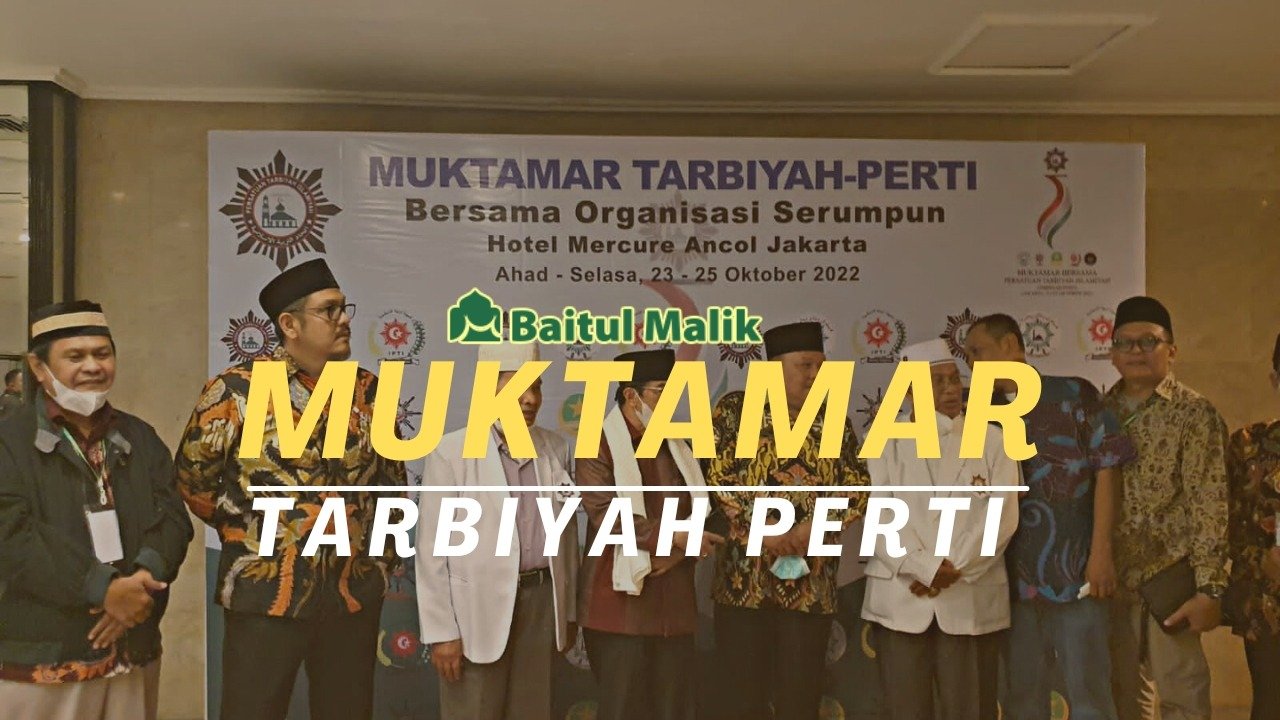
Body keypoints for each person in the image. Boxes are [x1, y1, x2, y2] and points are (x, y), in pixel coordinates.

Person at [175, 259, 407, 720]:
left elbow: (392, 488)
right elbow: (192, 481)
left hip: (351, 598)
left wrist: (378, 564)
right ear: (289, 324)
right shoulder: (236, 391)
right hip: (264, 599)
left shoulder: (369, 393)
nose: (344, 320)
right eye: (329, 310)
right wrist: (253, 535)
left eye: (344, 308)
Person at [0, 301, 192, 720]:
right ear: (38, 367)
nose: (92, 366)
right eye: (75, 356)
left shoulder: (140, 436)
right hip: (41, 662)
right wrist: (102, 589)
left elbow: (173, 519)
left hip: (133, 649)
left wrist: (138, 585)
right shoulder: (9, 441)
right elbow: (12, 537)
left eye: (102, 354)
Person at [964, 314, 1134, 720]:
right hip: (1007, 581)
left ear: (1010, 346)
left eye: (977, 352)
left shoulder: (1073, 393)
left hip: (1075, 573)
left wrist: (1101, 553)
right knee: (1022, 697)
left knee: (1089, 692)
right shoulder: (977, 413)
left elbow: (1107, 467)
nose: (970, 364)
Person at [704, 321, 869, 720]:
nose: (815, 375)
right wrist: (765, 532)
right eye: (805, 365)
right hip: (745, 584)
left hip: (810, 587)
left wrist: (816, 527)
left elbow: (857, 485)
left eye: (821, 366)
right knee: (740, 699)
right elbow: (716, 477)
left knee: (801, 697)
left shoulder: (834, 418)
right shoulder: (734, 410)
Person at [416, 341, 580, 720]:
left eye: (536, 386)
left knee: (532, 711)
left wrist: (567, 612)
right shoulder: (451, 452)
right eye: (518, 386)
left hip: (542, 603)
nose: (530, 399)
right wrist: (442, 632)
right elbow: (431, 550)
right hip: (475, 610)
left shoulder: (555, 448)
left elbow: (568, 537)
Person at [860, 338, 1019, 720]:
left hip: (968, 594)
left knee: (970, 709)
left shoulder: (994, 438)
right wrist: (923, 568)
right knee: (904, 710)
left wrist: (951, 569)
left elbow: (1002, 514)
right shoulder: (883, 440)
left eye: (954, 379)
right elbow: (877, 512)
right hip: (901, 597)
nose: (952, 390)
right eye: (938, 381)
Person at [577, 349, 722, 720]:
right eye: (661, 390)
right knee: (624, 709)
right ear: (631, 395)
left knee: (674, 709)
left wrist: (679, 551)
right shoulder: (598, 442)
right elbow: (607, 517)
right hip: (618, 607)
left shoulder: (679, 446)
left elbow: (704, 513)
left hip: (675, 601)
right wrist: (675, 537)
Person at [1104, 296, 1228, 720]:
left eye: (1149, 342)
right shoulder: (1098, 413)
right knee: (1122, 701)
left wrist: (1210, 589)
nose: (1136, 351)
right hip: (1112, 582)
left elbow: (1210, 504)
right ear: (1112, 353)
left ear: (1171, 350)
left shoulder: (1195, 414)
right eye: (1125, 342)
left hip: (1171, 581)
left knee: (1182, 699)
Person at [1225, 332, 1280, 720]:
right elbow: (1226, 525)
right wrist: (1264, 561)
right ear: (1275, 378)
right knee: (1270, 703)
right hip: (1266, 602)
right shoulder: (1247, 444)